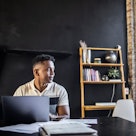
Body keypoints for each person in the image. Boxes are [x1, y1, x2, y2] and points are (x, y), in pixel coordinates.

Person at [13, 54, 70, 120]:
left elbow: (66, 115)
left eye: (53, 69)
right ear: (36, 72)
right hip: (28, 128)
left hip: (51, 128)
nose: (52, 73)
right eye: (48, 70)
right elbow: (14, 115)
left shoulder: (60, 90)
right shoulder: (21, 91)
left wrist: (53, 117)